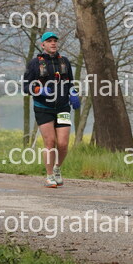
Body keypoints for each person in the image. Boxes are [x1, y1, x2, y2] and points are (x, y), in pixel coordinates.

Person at [23, 32, 80, 188]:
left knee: (63, 144)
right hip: (43, 108)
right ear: (43, 45)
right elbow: (26, 86)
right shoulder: (34, 63)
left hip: (63, 107)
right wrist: (39, 90)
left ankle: (57, 168)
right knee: (50, 142)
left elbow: (70, 82)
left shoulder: (64, 61)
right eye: (49, 41)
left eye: (55, 41)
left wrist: (73, 92)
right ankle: (49, 177)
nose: (53, 43)